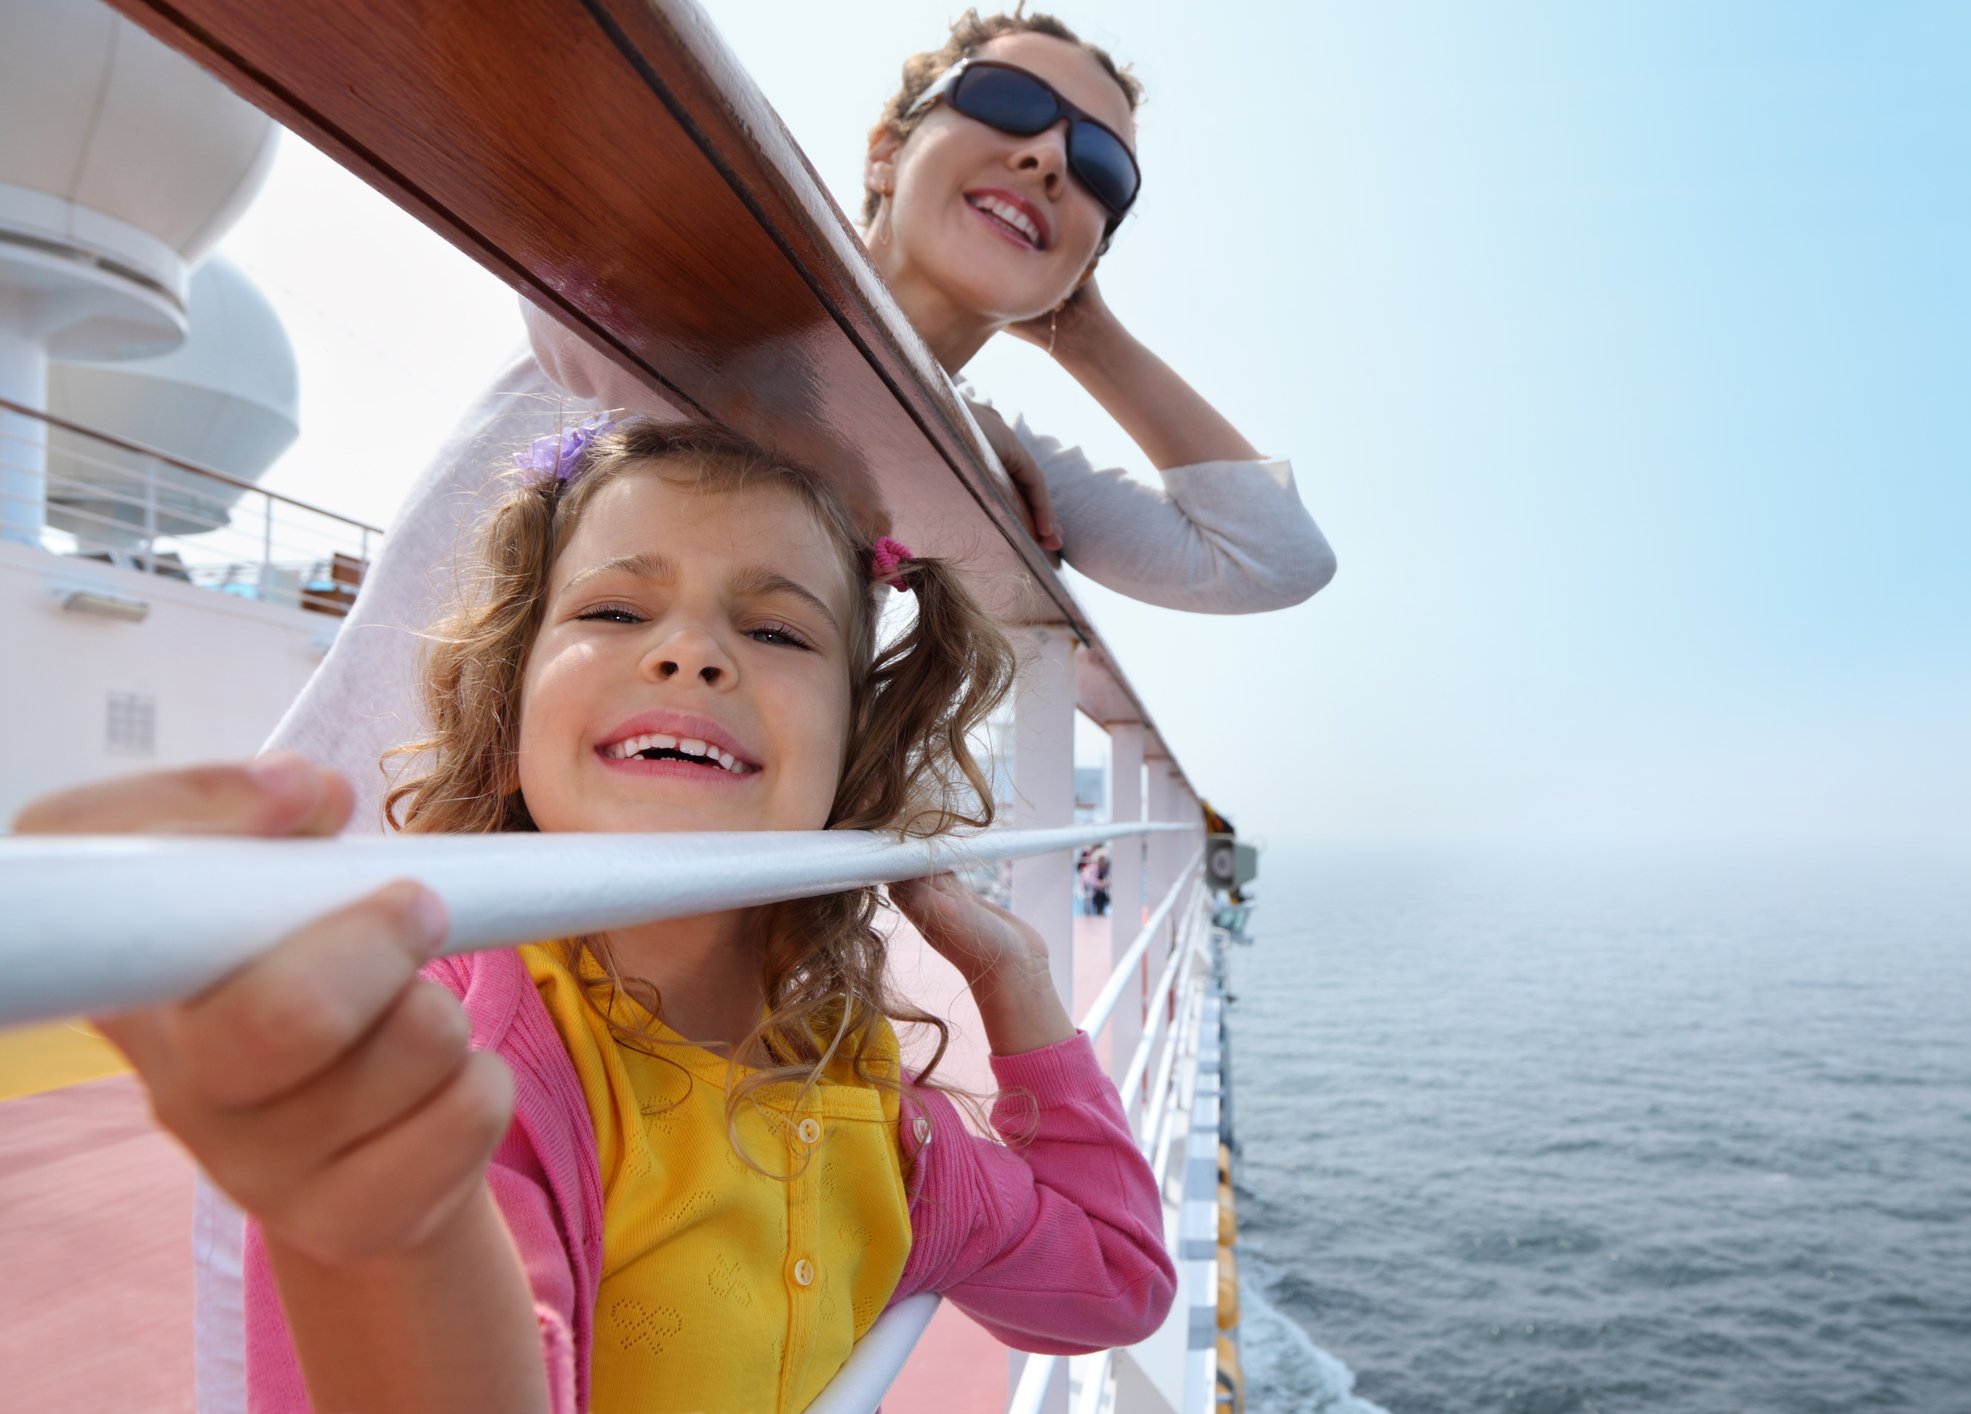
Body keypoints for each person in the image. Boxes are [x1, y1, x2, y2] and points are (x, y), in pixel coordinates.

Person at [22, 420, 1175, 1412]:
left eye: (776, 631)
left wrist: (1014, 979)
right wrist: (377, 1211)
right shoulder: (463, 1065)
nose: (691, 653)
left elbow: (1117, 1281)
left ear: (858, 741)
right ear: (511, 692)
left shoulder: (874, 1114)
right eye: (617, 607)